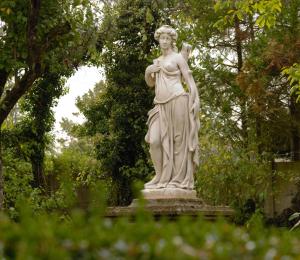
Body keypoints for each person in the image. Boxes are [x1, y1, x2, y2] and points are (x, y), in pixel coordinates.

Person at [144, 25, 200, 190]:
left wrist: (195, 100)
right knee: (154, 141)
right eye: (162, 38)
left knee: (178, 141)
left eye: (168, 38)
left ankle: (176, 179)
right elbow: (151, 83)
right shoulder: (157, 61)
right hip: (160, 104)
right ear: (159, 40)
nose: (165, 41)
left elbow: (189, 80)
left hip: (178, 100)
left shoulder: (177, 58)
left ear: (171, 41)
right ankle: (160, 175)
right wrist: (148, 72)